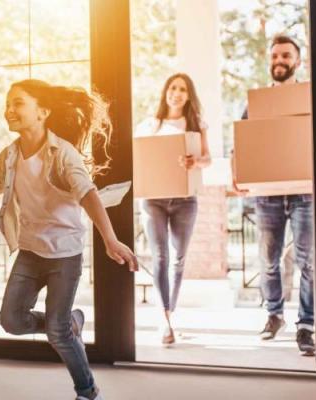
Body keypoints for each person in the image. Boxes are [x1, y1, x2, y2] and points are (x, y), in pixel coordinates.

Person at [0, 79, 138, 400]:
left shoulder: (63, 154)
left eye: (18, 103)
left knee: (58, 335)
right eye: (8, 103)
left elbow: (88, 194)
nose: (9, 110)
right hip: (31, 252)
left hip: (65, 254)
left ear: (43, 112)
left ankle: (88, 392)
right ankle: (69, 322)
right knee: (11, 321)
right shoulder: (8, 157)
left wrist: (111, 240)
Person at [238, 35, 316, 356]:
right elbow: (243, 142)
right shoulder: (256, 103)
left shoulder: (309, 97)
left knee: (308, 261)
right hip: (268, 194)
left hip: (304, 191)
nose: (279, 61)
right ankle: (274, 315)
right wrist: (240, 177)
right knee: (268, 261)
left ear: (297, 61)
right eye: (274, 56)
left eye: (286, 55)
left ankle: (306, 324)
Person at [134, 73, 211, 345]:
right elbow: (139, 158)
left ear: (188, 96)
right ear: (165, 91)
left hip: (184, 200)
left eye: (182, 89)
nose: (176, 93)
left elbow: (207, 158)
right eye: (173, 87)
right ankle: (164, 319)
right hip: (153, 200)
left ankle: (170, 313)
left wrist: (195, 162)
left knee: (178, 260)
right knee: (160, 257)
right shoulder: (149, 125)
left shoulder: (196, 123)